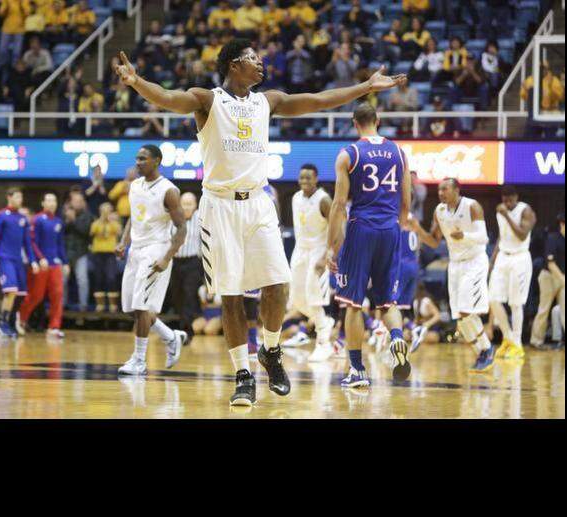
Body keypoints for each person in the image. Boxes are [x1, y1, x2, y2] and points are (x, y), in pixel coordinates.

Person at [112, 38, 405, 406]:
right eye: (252, 58)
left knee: (278, 285)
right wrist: (137, 82)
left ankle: (269, 350)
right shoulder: (208, 100)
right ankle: (243, 374)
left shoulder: (268, 101)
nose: (260, 63)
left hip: (258, 202)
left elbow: (318, 100)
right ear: (234, 65)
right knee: (232, 296)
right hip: (219, 207)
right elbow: (169, 98)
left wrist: (365, 87)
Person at [326, 102, 413, 388]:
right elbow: (406, 202)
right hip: (390, 228)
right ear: (379, 119)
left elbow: (339, 204)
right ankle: (397, 339)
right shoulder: (399, 152)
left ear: (354, 123)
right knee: (388, 301)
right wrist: (397, 227)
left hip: (361, 227)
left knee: (353, 303)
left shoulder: (349, 154)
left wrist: (331, 245)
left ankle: (357, 370)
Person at [114, 145, 188, 376]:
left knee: (141, 306)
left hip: (156, 250)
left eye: (143, 159)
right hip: (135, 250)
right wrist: (124, 241)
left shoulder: (169, 191)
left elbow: (182, 228)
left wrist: (167, 258)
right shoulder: (134, 186)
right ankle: (171, 336)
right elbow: (133, 219)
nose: (138, 162)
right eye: (137, 158)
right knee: (132, 309)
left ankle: (139, 361)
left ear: (157, 161)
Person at [410, 177, 494, 373]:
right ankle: (482, 353)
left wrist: (464, 235)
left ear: (457, 190)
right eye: (439, 190)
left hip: (474, 262)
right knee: (460, 318)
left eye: (445, 189)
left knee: (466, 311)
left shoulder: (472, 206)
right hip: (455, 265)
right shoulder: (439, 211)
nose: (441, 193)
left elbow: (484, 238)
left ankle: (487, 349)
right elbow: (432, 241)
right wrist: (417, 229)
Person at [284, 163, 336, 361]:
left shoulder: (323, 200)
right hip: (300, 250)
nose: (304, 181)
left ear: (316, 179)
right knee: (296, 299)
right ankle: (325, 322)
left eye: (308, 178)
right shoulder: (296, 197)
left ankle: (324, 342)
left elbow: (338, 226)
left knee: (314, 296)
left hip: (318, 251)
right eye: (302, 178)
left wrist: (327, 256)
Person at [0, 187, 45, 337]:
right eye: (17, 197)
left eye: (21, 197)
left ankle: (12, 322)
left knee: (21, 294)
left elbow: (27, 242)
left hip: (18, 261)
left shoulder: (22, 218)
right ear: (9, 197)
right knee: (11, 291)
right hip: (4, 258)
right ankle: (3, 323)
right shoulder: (1, 216)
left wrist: (33, 261)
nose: (20, 200)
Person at [488, 185, 535, 360]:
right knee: (492, 299)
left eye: (510, 200)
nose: (507, 203)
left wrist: (506, 215)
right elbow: (502, 235)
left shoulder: (526, 211)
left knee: (516, 303)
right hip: (503, 256)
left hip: (520, 258)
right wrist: (492, 261)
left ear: (516, 197)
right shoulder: (501, 211)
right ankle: (508, 338)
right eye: (504, 200)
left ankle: (518, 345)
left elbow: (522, 235)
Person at [18, 192, 68, 338]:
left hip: (55, 265)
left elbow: (60, 244)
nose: (52, 203)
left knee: (58, 295)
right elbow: (32, 242)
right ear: (43, 203)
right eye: (49, 200)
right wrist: (40, 258)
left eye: (54, 200)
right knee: (36, 296)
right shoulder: (37, 220)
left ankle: (53, 327)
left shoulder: (58, 221)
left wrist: (64, 262)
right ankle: (20, 318)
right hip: (41, 265)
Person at [167, 192, 203, 342]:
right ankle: (182, 325)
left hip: (193, 262)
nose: (187, 207)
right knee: (177, 296)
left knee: (189, 295)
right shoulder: (172, 219)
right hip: (175, 262)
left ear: (195, 205)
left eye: (190, 204)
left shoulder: (201, 217)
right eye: (184, 203)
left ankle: (186, 331)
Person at [530, 212, 564, 348]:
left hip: (562, 278)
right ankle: (536, 341)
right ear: (562, 224)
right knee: (544, 309)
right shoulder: (553, 238)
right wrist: (563, 280)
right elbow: (551, 263)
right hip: (548, 277)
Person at [89, 203, 122, 312]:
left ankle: (113, 304)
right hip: (98, 253)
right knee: (98, 278)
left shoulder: (115, 224)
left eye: (107, 210)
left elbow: (118, 231)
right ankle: (100, 304)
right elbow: (92, 232)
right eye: (103, 211)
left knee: (111, 278)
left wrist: (110, 221)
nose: (105, 213)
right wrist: (101, 221)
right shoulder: (96, 223)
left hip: (110, 253)